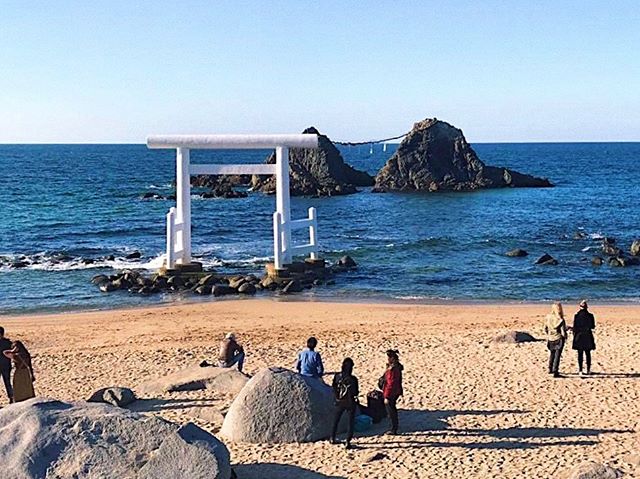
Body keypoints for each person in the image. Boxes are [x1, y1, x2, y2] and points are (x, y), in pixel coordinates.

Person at [330, 357, 359, 449]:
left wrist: (337, 397)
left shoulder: (337, 376)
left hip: (339, 401)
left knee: (335, 420)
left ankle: (332, 437)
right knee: (350, 422)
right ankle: (348, 441)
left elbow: (334, 387)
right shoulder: (353, 379)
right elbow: (356, 392)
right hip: (350, 402)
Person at [382, 349, 403, 435]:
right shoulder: (397, 366)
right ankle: (394, 427)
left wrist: (386, 396)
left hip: (391, 392)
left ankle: (393, 428)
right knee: (392, 408)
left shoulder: (392, 369)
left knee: (391, 410)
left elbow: (391, 383)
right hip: (396, 390)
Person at [572, 299, 596, 375]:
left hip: (579, 336)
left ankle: (580, 370)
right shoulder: (590, 316)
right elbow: (592, 326)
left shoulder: (576, 316)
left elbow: (575, 327)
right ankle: (588, 369)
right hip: (587, 335)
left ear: (580, 307)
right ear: (586, 307)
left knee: (580, 354)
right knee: (588, 353)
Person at [544, 302, 568, 378]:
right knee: (557, 355)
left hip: (551, 337)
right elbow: (563, 331)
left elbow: (545, 328)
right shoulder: (560, 319)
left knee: (552, 354)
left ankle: (550, 368)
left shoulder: (548, 317)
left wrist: (548, 334)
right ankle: (555, 371)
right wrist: (565, 337)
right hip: (558, 338)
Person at [0, 327, 13, 403]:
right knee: (7, 382)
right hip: (6, 365)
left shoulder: (8, 343)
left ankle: (11, 397)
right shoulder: (8, 342)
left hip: (6, 366)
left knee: (7, 382)